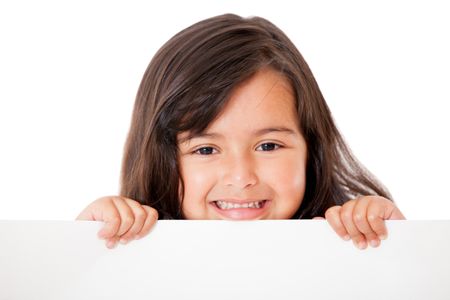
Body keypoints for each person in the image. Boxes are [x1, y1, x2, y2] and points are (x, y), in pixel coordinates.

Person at [76, 14, 405, 250]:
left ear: (311, 148)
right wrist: (78, 248)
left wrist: (398, 248)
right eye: (205, 149)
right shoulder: (133, 252)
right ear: (161, 158)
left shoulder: (346, 244)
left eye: (268, 145)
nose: (241, 176)